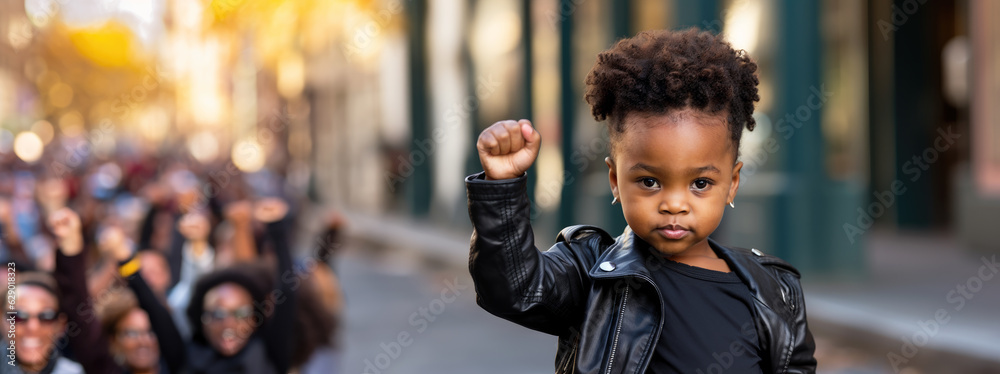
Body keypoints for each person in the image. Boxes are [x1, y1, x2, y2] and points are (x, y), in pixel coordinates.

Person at [466, 28, 816, 373]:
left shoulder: (775, 292)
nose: (674, 204)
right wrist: (503, 186)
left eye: (700, 183)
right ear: (616, 181)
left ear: (732, 183)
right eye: (650, 182)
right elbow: (514, 288)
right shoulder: (592, 273)